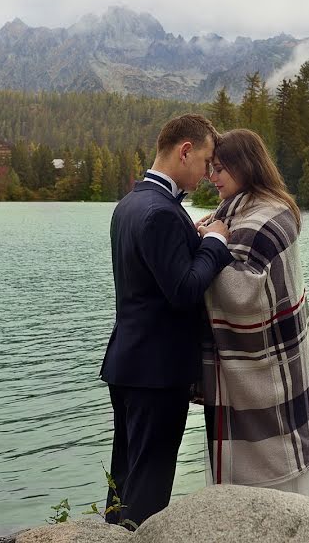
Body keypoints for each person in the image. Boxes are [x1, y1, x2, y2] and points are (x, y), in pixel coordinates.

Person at [100, 114, 233, 527]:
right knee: (149, 491)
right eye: (207, 160)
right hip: (156, 373)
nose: (208, 172)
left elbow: (154, 279)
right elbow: (183, 290)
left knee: (124, 478)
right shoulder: (160, 212)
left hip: (129, 363)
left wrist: (192, 240)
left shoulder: (131, 203)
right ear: (185, 151)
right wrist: (215, 241)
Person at [199, 128, 309, 502]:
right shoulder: (272, 207)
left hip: (264, 376)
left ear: (245, 166)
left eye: (220, 169)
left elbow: (241, 293)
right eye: (210, 168)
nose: (212, 178)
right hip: (289, 367)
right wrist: (213, 231)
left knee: (268, 495)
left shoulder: (252, 221)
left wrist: (206, 243)